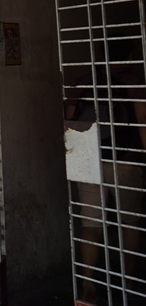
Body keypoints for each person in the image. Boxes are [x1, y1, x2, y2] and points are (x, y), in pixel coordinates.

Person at [64, 38, 146, 303]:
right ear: (130, 56)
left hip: (88, 160)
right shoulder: (134, 82)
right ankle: (128, 283)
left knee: (91, 223)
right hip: (125, 160)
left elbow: (70, 123)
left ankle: (88, 284)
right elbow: (142, 123)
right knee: (129, 222)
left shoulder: (82, 82)